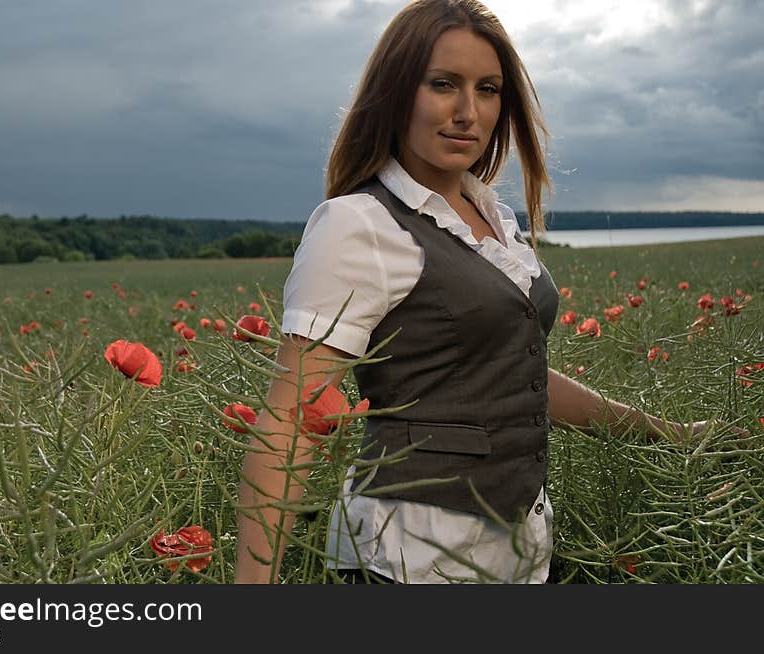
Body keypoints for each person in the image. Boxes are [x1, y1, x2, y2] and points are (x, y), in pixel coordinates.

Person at [233, 0, 730, 584]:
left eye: (488, 89)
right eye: (443, 84)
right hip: (409, 556)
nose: (468, 112)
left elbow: (513, 378)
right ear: (395, 93)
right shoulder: (358, 224)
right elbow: (289, 422)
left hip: (516, 552)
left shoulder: (491, 215)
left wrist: (668, 433)